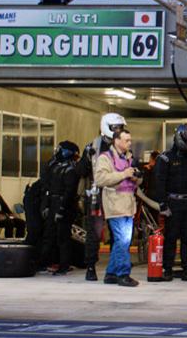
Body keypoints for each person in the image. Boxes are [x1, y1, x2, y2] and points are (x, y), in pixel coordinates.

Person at [154, 124, 187, 282]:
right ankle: (167, 268)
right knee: (171, 237)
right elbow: (159, 182)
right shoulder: (165, 158)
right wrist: (162, 204)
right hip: (173, 203)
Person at [78, 112, 126, 281]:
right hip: (97, 195)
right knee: (94, 233)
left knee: (117, 233)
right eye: (116, 128)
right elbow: (81, 171)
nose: (119, 131)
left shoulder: (124, 147)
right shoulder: (93, 147)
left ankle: (114, 268)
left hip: (117, 193)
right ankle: (90, 267)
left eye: (121, 128)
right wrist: (86, 157)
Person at [93, 128, 140, 287]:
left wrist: (136, 178)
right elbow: (100, 179)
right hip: (115, 204)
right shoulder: (105, 158)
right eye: (126, 140)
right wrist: (124, 174)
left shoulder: (129, 158)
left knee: (124, 241)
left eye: (130, 140)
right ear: (117, 141)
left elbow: (134, 180)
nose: (129, 143)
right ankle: (123, 274)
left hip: (128, 205)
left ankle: (111, 274)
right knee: (122, 240)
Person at [39, 142, 80, 274]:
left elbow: (70, 191)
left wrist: (62, 209)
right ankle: (45, 262)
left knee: (63, 236)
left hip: (64, 204)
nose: (57, 152)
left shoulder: (71, 169)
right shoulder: (55, 166)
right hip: (53, 202)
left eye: (60, 150)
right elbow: (48, 187)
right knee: (49, 235)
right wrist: (46, 205)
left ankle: (64, 265)